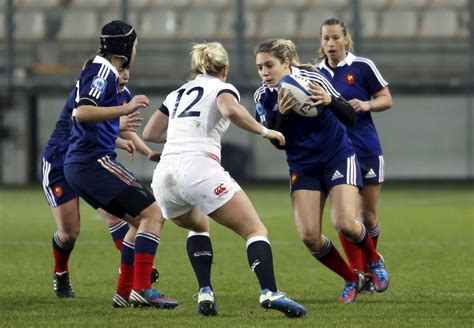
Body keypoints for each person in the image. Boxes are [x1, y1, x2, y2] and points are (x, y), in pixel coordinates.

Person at [143, 41, 306, 318]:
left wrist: (180, 140)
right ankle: (269, 291)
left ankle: (205, 290)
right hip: (198, 169)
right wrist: (265, 132)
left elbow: (150, 132)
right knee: (255, 230)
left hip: (164, 177)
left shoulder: (177, 93)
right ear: (225, 69)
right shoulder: (221, 87)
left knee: (198, 225)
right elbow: (230, 109)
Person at [253, 38, 389, 303]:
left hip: (337, 156)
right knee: (309, 237)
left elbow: (349, 117)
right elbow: (277, 142)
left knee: (344, 223)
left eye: (269, 65)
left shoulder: (313, 79)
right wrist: (282, 114)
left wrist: (329, 100)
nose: (264, 73)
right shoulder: (263, 96)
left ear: (286, 62)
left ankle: (373, 260)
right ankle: (352, 279)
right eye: (259, 68)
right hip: (303, 165)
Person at [62, 20, 177, 309]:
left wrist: (142, 147)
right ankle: (143, 289)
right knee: (154, 213)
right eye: (135, 45)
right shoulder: (102, 70)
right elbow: (83, 112)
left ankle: (124, 292)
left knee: (138, 221)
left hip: (84, 164)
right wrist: (124, 110)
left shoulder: (106, 72)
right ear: (127, 47)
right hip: (92, 162)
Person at [41, 61, 161, 300]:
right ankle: (60, 272)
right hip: (59, 162)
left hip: (88, 164)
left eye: (126, 69)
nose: (124, 75)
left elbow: (121, 128)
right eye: (120, 69)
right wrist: (118, 127)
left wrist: (147, 152)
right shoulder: (87, 93)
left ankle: (130, 276)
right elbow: (82, 124)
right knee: (69, 232)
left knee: (115, 215)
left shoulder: (121, 93)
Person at [316, 18, 393, 283]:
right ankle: (361, 273)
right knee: (345, 217)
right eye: (326, 38)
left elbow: (386, 99)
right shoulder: (315, 73)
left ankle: (372, 262)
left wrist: (367, 105)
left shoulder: (362, 66)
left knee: (368, 216)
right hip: (335, 153)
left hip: (365, 148)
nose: (330, 43)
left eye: (335, 37)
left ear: (346, 39)